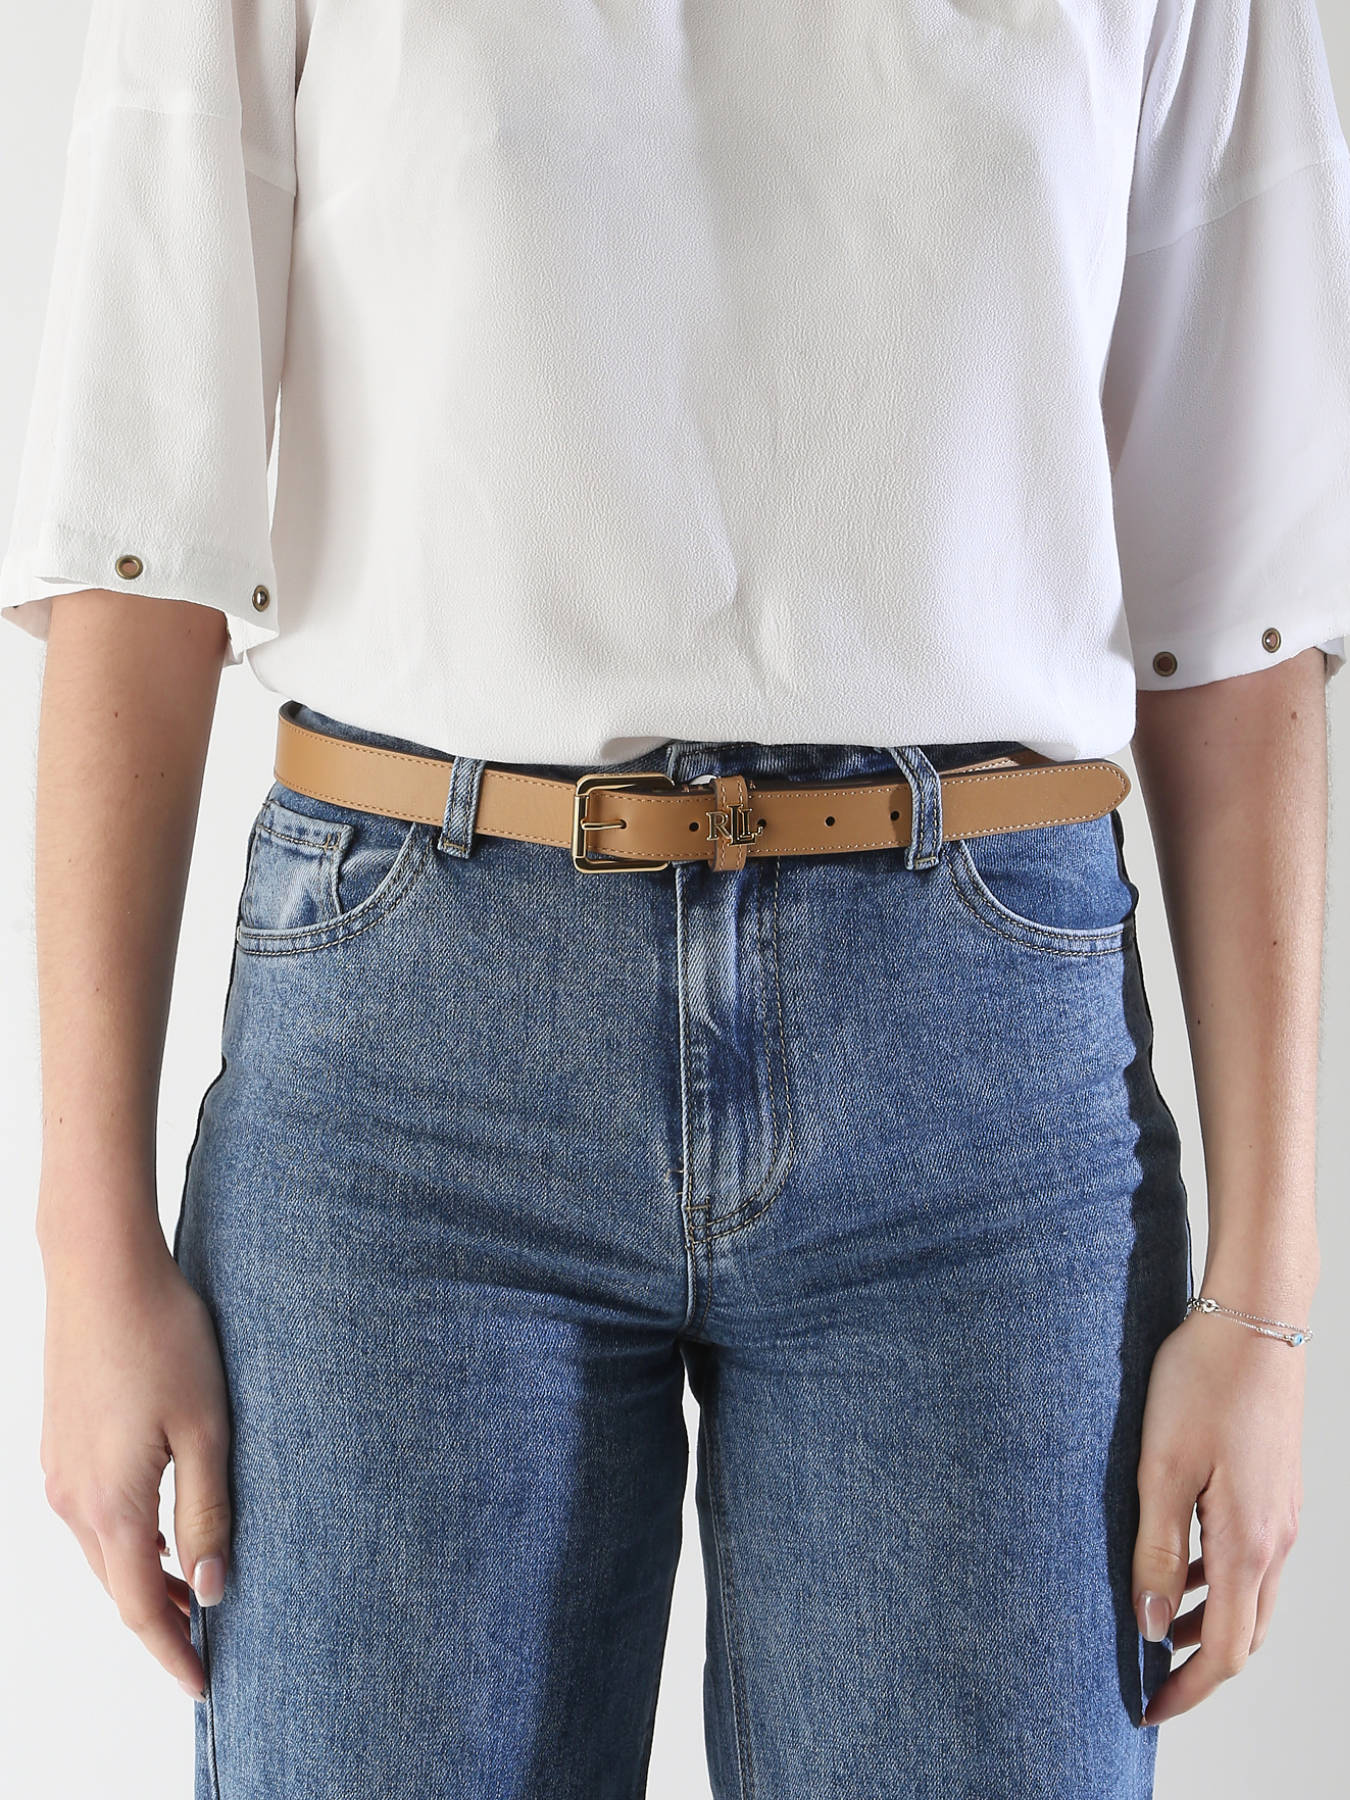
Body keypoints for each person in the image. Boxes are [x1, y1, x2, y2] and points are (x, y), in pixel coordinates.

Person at [3, 2, 1345, 1795]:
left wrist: (1263, 1305)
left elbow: (1239, 627)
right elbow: (135, 557)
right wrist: (87, 1248)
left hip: (974, 1106)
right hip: (413, 1080)